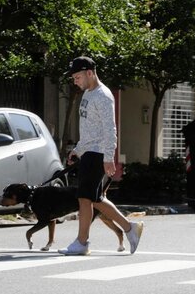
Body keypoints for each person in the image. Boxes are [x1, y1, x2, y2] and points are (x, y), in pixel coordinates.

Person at [58, 56, 144, 256]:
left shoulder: (103, 96)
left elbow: (110, 128)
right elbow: (89, 130)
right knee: (94, 198)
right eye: (74, 78)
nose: (75, 81)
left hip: (97, 153)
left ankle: (82, 242)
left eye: (78, 77)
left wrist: (108, 157)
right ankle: (130, 228)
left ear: (90, 72)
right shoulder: (88, 93)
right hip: (89, 151)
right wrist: (78, 149)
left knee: (84, 198)